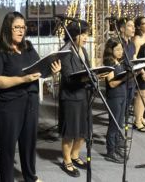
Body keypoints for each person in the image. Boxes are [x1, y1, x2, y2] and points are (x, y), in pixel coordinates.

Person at [0, 11, 60, 182]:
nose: (20, 31)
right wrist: (22, 79)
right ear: (7, 29)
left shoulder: (28, 47)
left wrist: (52, 71)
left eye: (23, 27)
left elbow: (40, 69)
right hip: (8, 105)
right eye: (16, 27)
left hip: (30, 102)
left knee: (28, 144)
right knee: (8, 148)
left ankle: (30, 177)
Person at [58, 20, 91, 177]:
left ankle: (75, 155)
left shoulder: (83, 50)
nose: (86, 37)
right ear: (73, 34)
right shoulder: (65, 51)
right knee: (70, 131)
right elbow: (69, 78)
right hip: (70, 97)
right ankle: (66, 160)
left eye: (87, 34)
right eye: (83, 34)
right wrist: (87, 78)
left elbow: (89, 70)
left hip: (83, 95)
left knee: (83, 130)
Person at [103, 38, 127, 163]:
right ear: (110, 50)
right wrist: (125, 78)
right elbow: (111, 84)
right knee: (114, 125)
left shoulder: (119, 61)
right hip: (114, 96)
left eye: (121, 49)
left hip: (122, 95)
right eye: (117, 49)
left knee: (119, 124)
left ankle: (117, 147)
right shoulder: (109, 63)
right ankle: (110, 151)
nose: (120, 52)